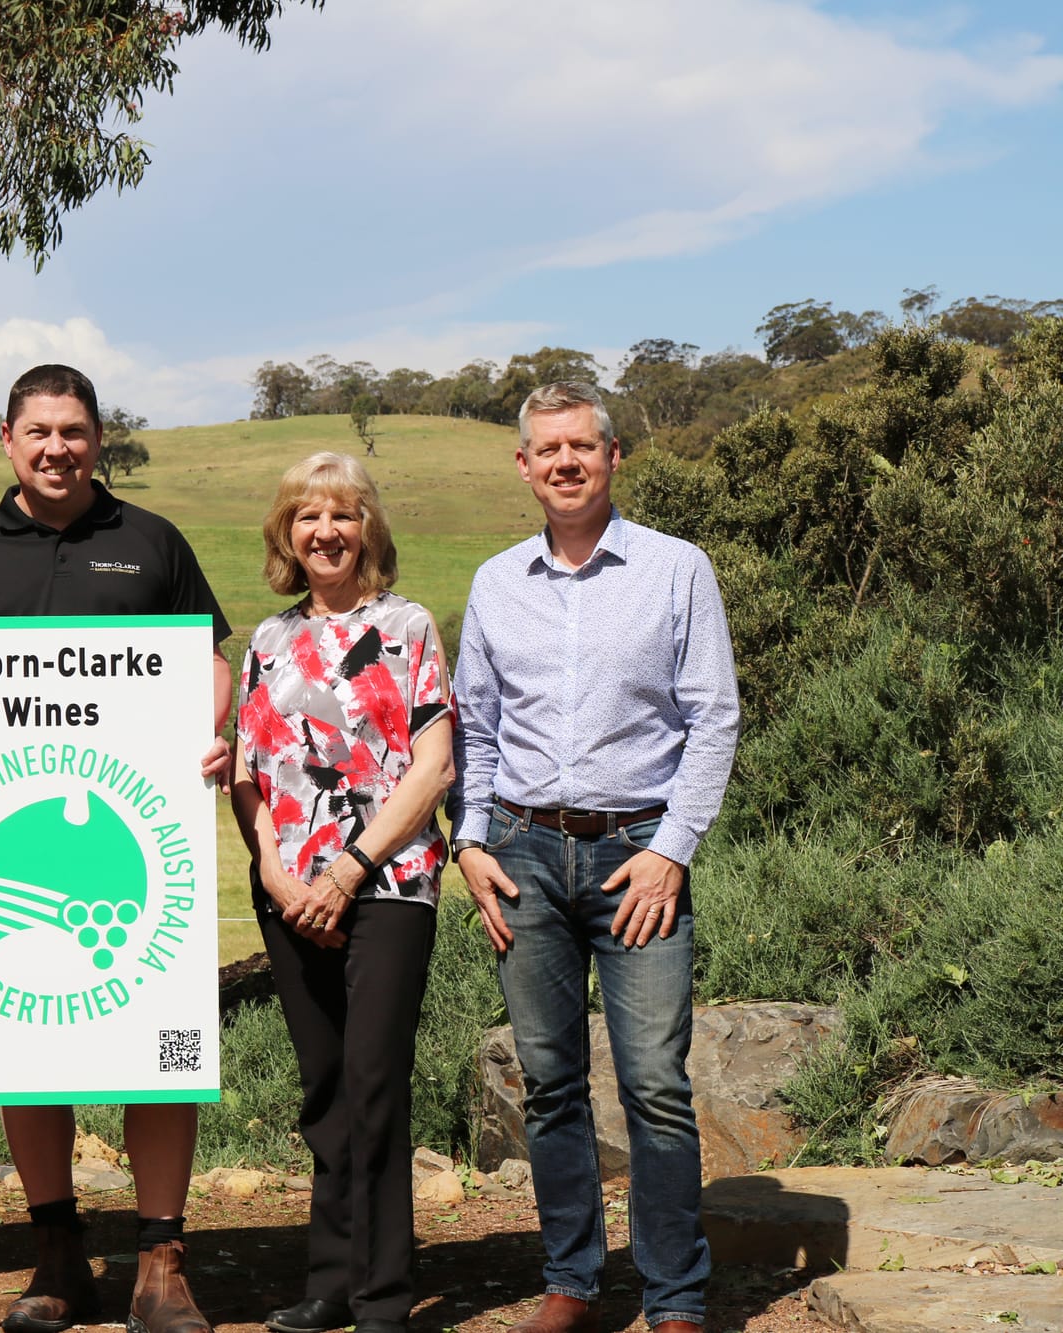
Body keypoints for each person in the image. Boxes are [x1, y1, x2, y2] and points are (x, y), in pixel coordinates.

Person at [0, 364, 234, 1333]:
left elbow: (207, 659)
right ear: (6, 438)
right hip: (7, 843)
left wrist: (211, 728)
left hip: (132, 841)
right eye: (38, 431)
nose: (55, 448)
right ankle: (56, 1257)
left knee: (153, 1053)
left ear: (97, 438)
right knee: (21, 1045)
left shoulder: (151, 543)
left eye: (72, 431)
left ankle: (161, 1261)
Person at [448, 382, 739, 1333]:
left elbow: (714, 717)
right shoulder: (495, 583)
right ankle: (571, 1284)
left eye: (583, 445)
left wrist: (674, 851)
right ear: (524, 465)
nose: (566, 461)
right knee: (550, 1080)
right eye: (548, 449)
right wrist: (470, 841)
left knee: (655, 1082)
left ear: (615, 456)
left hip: (637, 858)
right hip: (524, 856)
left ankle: (675, 1297)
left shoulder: (675, 568)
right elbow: (477, 732)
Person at [230, 453, 454, 1333]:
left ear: (368, 528)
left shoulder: (407, 627)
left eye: (343, 514)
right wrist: (278, 872)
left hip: (389, 882)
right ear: (287, 534)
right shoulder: (266, 641)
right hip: (289, 893)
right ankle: (329, 1282)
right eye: (306, 517)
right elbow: (246, 776)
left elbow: (433, 767)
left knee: (372, 1080)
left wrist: (349, 868)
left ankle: (385, 1295)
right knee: (322, 1083)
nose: (325, 531)